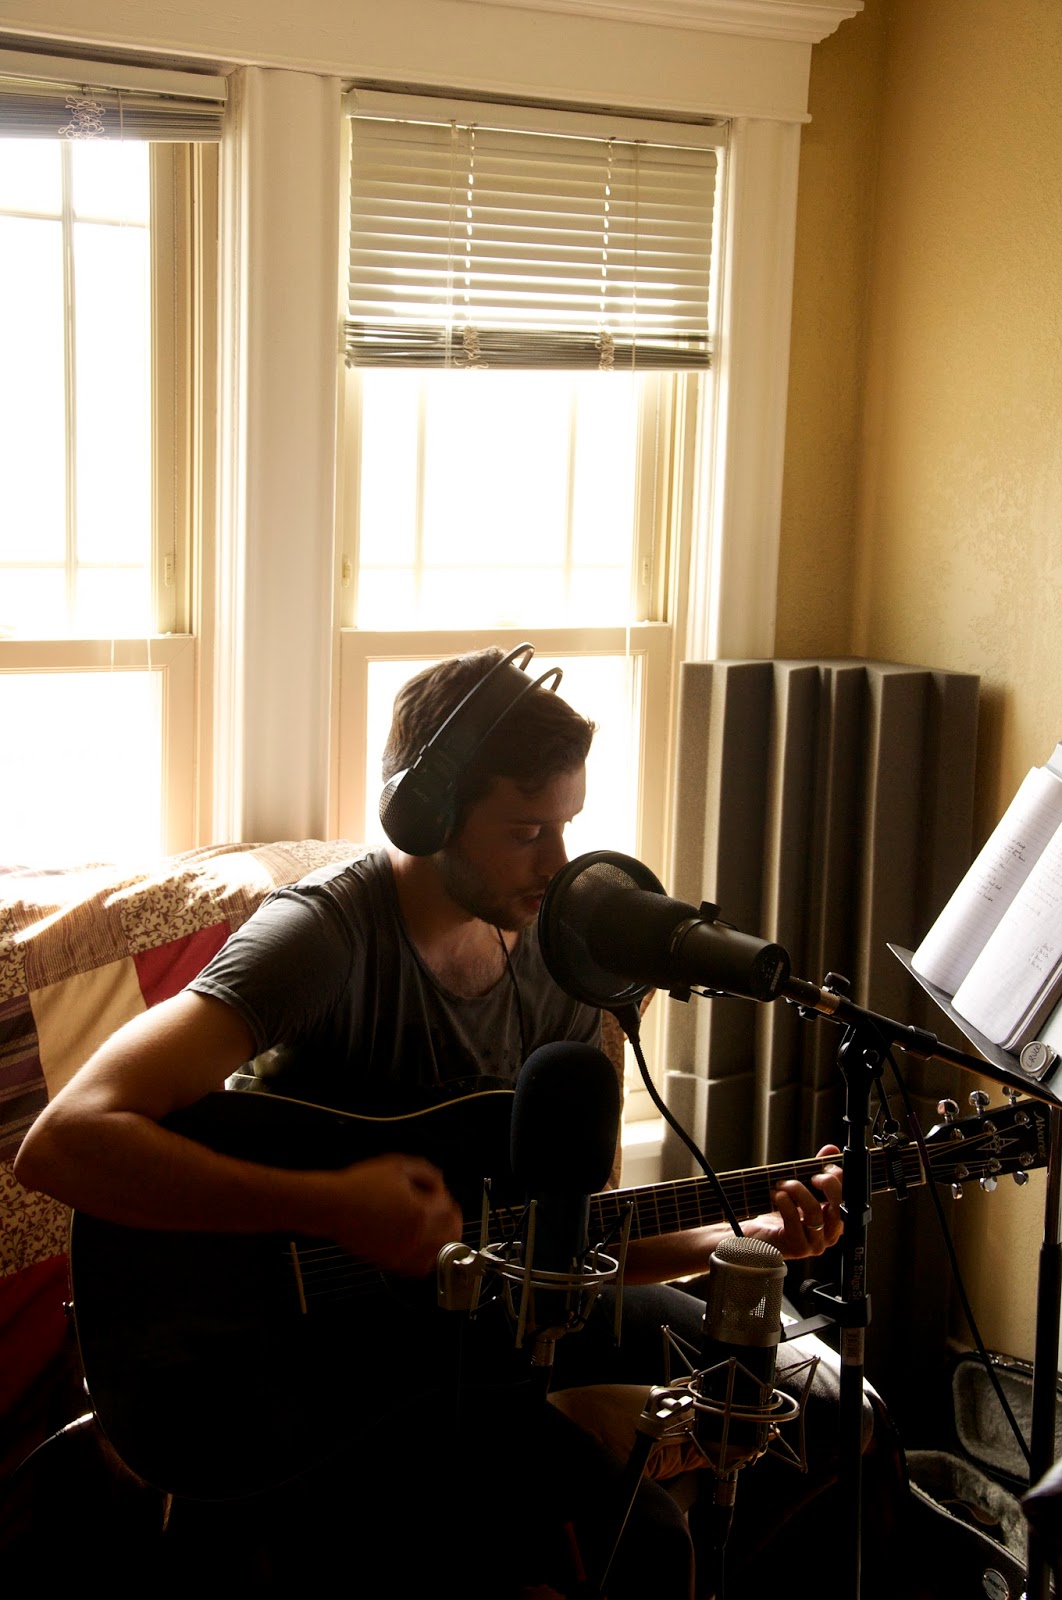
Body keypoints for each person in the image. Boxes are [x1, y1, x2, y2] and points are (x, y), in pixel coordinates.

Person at [15, 645, 855, 1598]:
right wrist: (331, 1205)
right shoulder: (318, 938)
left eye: (567, 826)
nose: (558, 864)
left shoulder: (557, 958)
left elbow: (559, 1242)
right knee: (643, 1545)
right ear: (428, 815)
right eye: (527, 831)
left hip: (486, 1330)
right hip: (296, 1364)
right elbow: (66, 1141)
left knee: (819, 1402)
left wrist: (741, 1239)